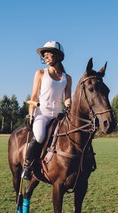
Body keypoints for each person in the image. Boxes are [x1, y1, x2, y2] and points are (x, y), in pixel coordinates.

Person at [21, 41, 72, 180]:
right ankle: (27, 166)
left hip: (58, 116)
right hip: (42, 114)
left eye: (48, 54)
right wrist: (31, 113)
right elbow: (33, 97)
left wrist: (68, 106)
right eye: (44, 55)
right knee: (40, 136)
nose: (45, 57)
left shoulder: (67, 78)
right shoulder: (40, 73)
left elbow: (67, 98)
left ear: (58, 56)